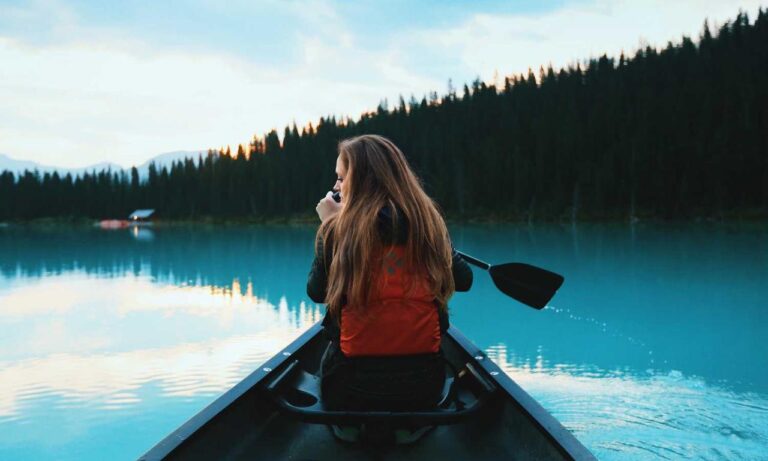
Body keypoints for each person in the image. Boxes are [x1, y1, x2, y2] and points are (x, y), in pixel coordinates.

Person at [307, 134, 473, 416]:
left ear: (361, 181)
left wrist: (331, 227)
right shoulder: (428, 224)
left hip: (350, 389)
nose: (335, 187)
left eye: (341, 178)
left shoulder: (336, 230)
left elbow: (317, 293)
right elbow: (464, 281)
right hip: (423, 388)